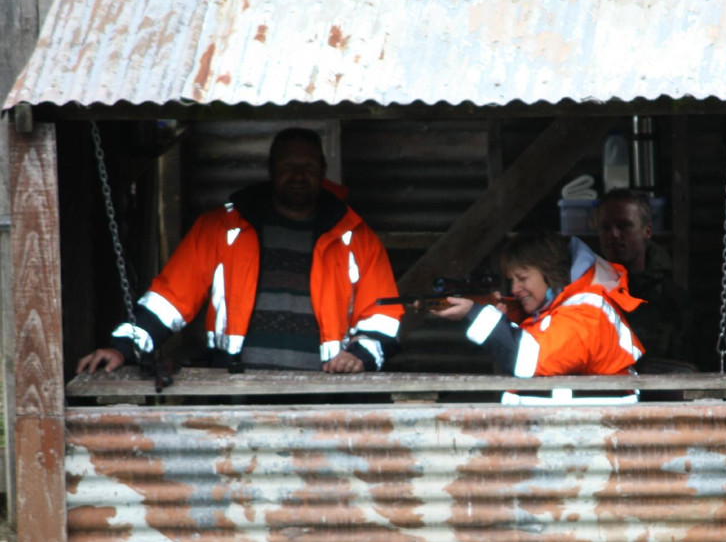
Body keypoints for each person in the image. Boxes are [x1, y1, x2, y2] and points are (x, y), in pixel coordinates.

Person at [77, 128, 404, 375]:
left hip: (322, 394)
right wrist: (122, 348)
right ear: (271, 168)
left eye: (307, 166)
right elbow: (169, 300)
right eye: (288, 165)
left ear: (323, 169)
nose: (298, 175)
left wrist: (359, 354)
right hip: (236, 390)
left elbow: (383, 315)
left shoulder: (356, 237)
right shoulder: (220, 227)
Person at [432, 230, 644, 377]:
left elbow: (527, 359)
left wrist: (474, 313)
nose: (514, 290)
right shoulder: (567, 310)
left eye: (522, 279)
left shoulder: (586, 314)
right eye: (512, 281)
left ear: (551, 273)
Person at [595, 188, 694, 366]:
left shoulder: (673, 300)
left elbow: (689, 366)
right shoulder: (586, 292)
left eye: (624, 225)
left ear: (647, 231)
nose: (614, 234)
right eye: (606, 227)